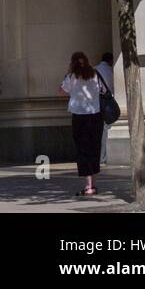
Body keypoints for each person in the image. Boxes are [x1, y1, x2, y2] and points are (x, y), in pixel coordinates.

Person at [60, 52, 103, 196]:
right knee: (94, 149)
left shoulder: (72, 76)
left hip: (79, 116)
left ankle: (88, 186)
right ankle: (94, 184)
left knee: (83, 150)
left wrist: (68, 74)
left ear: (73, 63)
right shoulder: (95, 74)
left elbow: (61, 90)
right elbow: (103, 89)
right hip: (96, 115)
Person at [95, 52, 115, 165]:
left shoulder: (95, 69)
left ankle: (100, 157)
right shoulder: (112, 70)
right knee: (105, 129)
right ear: (111, 61)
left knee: (99, 130)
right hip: (109, 103)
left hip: (97, 103)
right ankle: (102, 157)